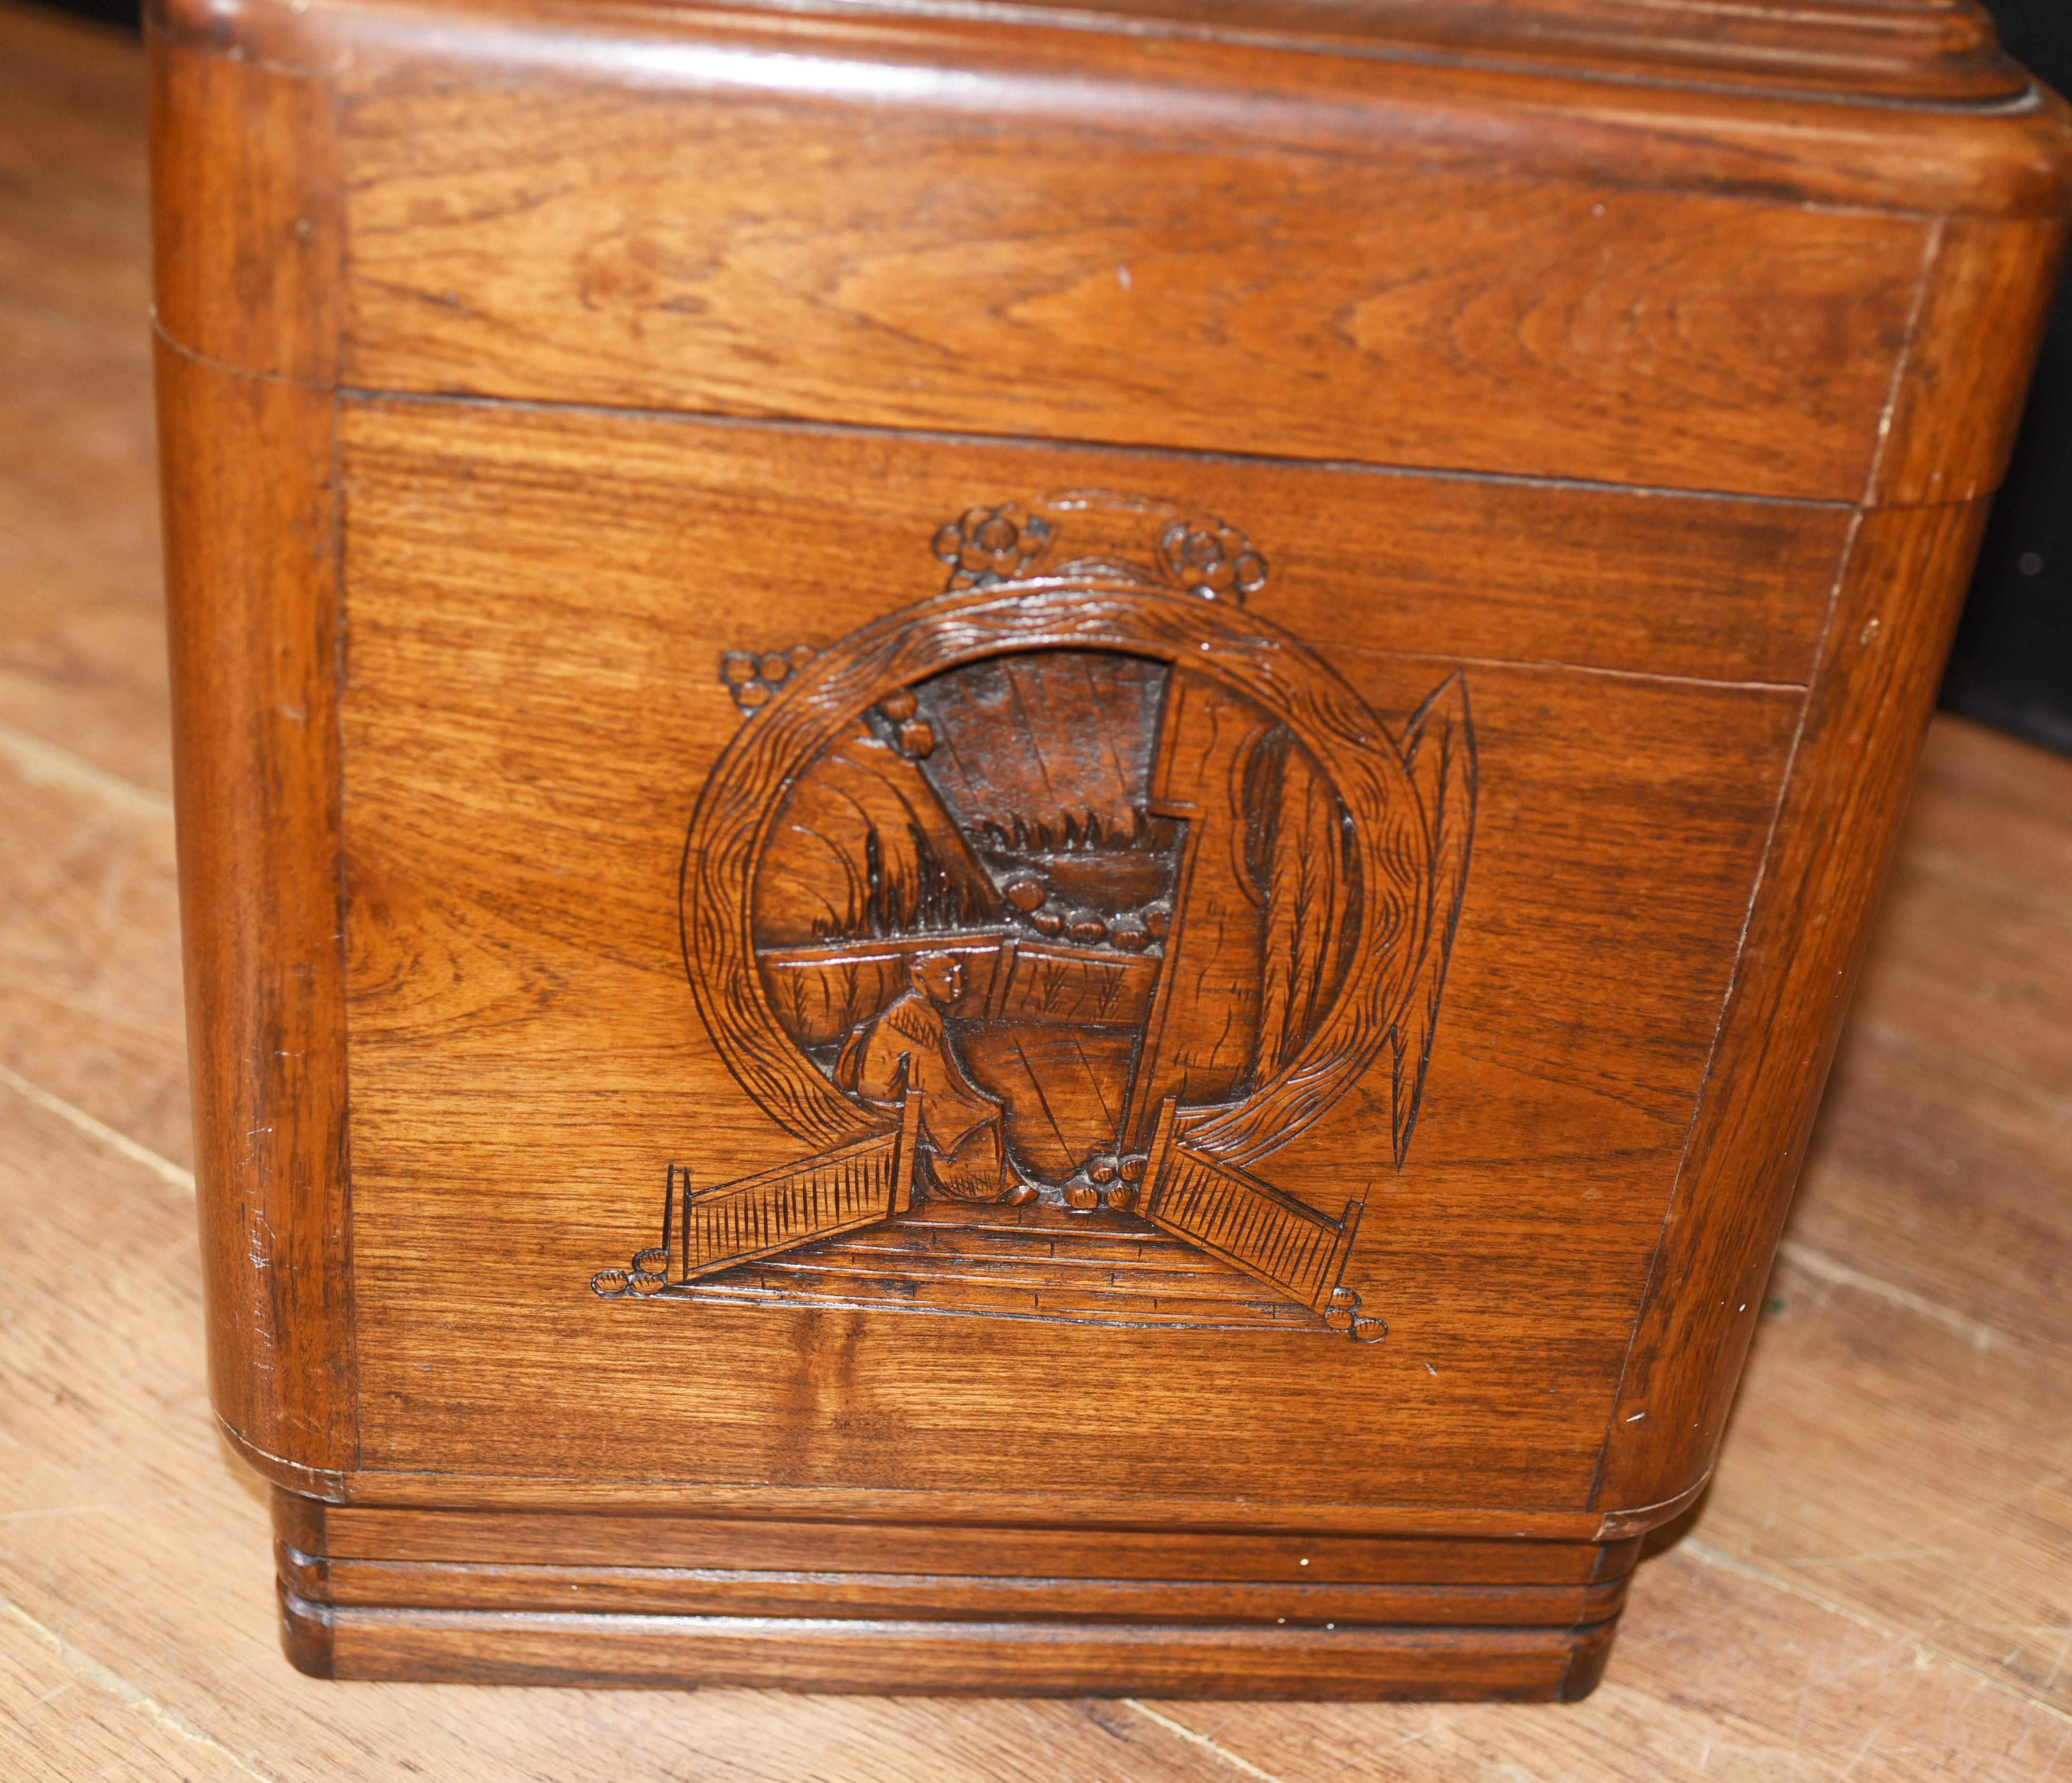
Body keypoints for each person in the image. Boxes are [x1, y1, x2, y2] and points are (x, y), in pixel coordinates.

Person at [833, 952, 1035, 1204]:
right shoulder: (914, 1015)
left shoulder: (916, 1008)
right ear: (920, 979)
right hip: (889, 1098)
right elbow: (929, 1077)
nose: (957, 986)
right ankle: (984, 1190)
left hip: (897, 1091)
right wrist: (966, 1110)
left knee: (982, 1109)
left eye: (959, 978)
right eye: (947, 978)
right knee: (986, 1114)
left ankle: (1003, 1184)